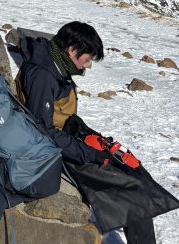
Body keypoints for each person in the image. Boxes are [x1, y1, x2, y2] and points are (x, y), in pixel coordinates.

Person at [15, 21, 178, 243]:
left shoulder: (55, 64)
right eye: (87, 59)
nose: (87, 66)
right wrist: (90, 154)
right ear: (72, 50)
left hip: (70, 140)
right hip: (55, 153)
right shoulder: (43, 75)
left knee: (132, 168)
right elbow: (43, 132)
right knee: (133, 192)